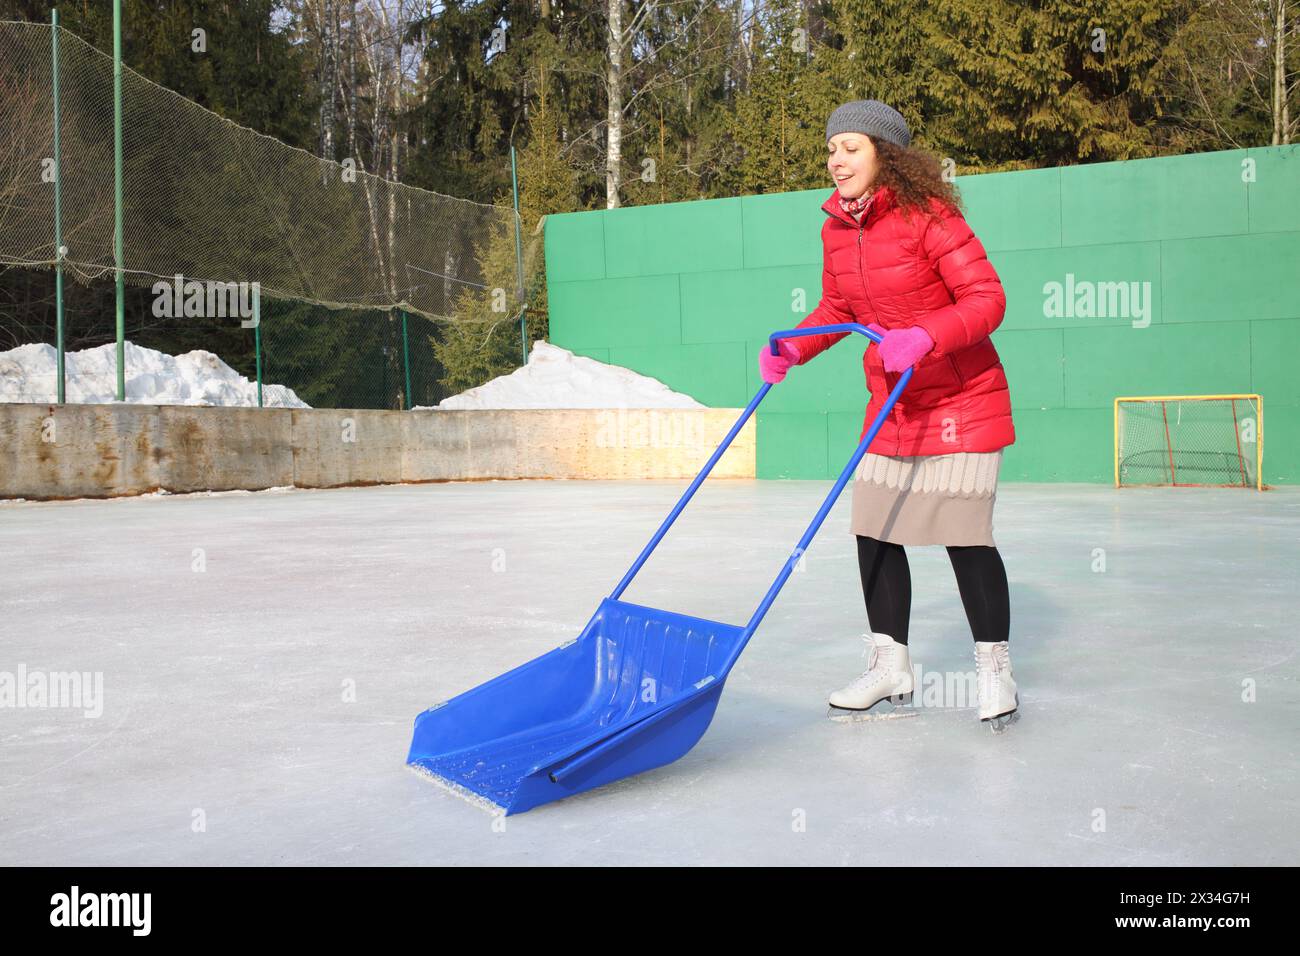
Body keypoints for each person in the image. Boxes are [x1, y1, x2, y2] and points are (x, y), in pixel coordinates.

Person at [758, 100, 1019, 730]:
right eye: (831, 148)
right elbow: (835, 307)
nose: (837, 159)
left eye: (851, 146)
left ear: (886, 154)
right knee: (873, 529)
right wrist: (796, 344)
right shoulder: (837, 228)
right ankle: (890, 664)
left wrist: (927, 335)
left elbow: (988, 299)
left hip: (961, 399)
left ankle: (994, 668)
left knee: (964, 536)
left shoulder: (931, 216)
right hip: (893, 404)